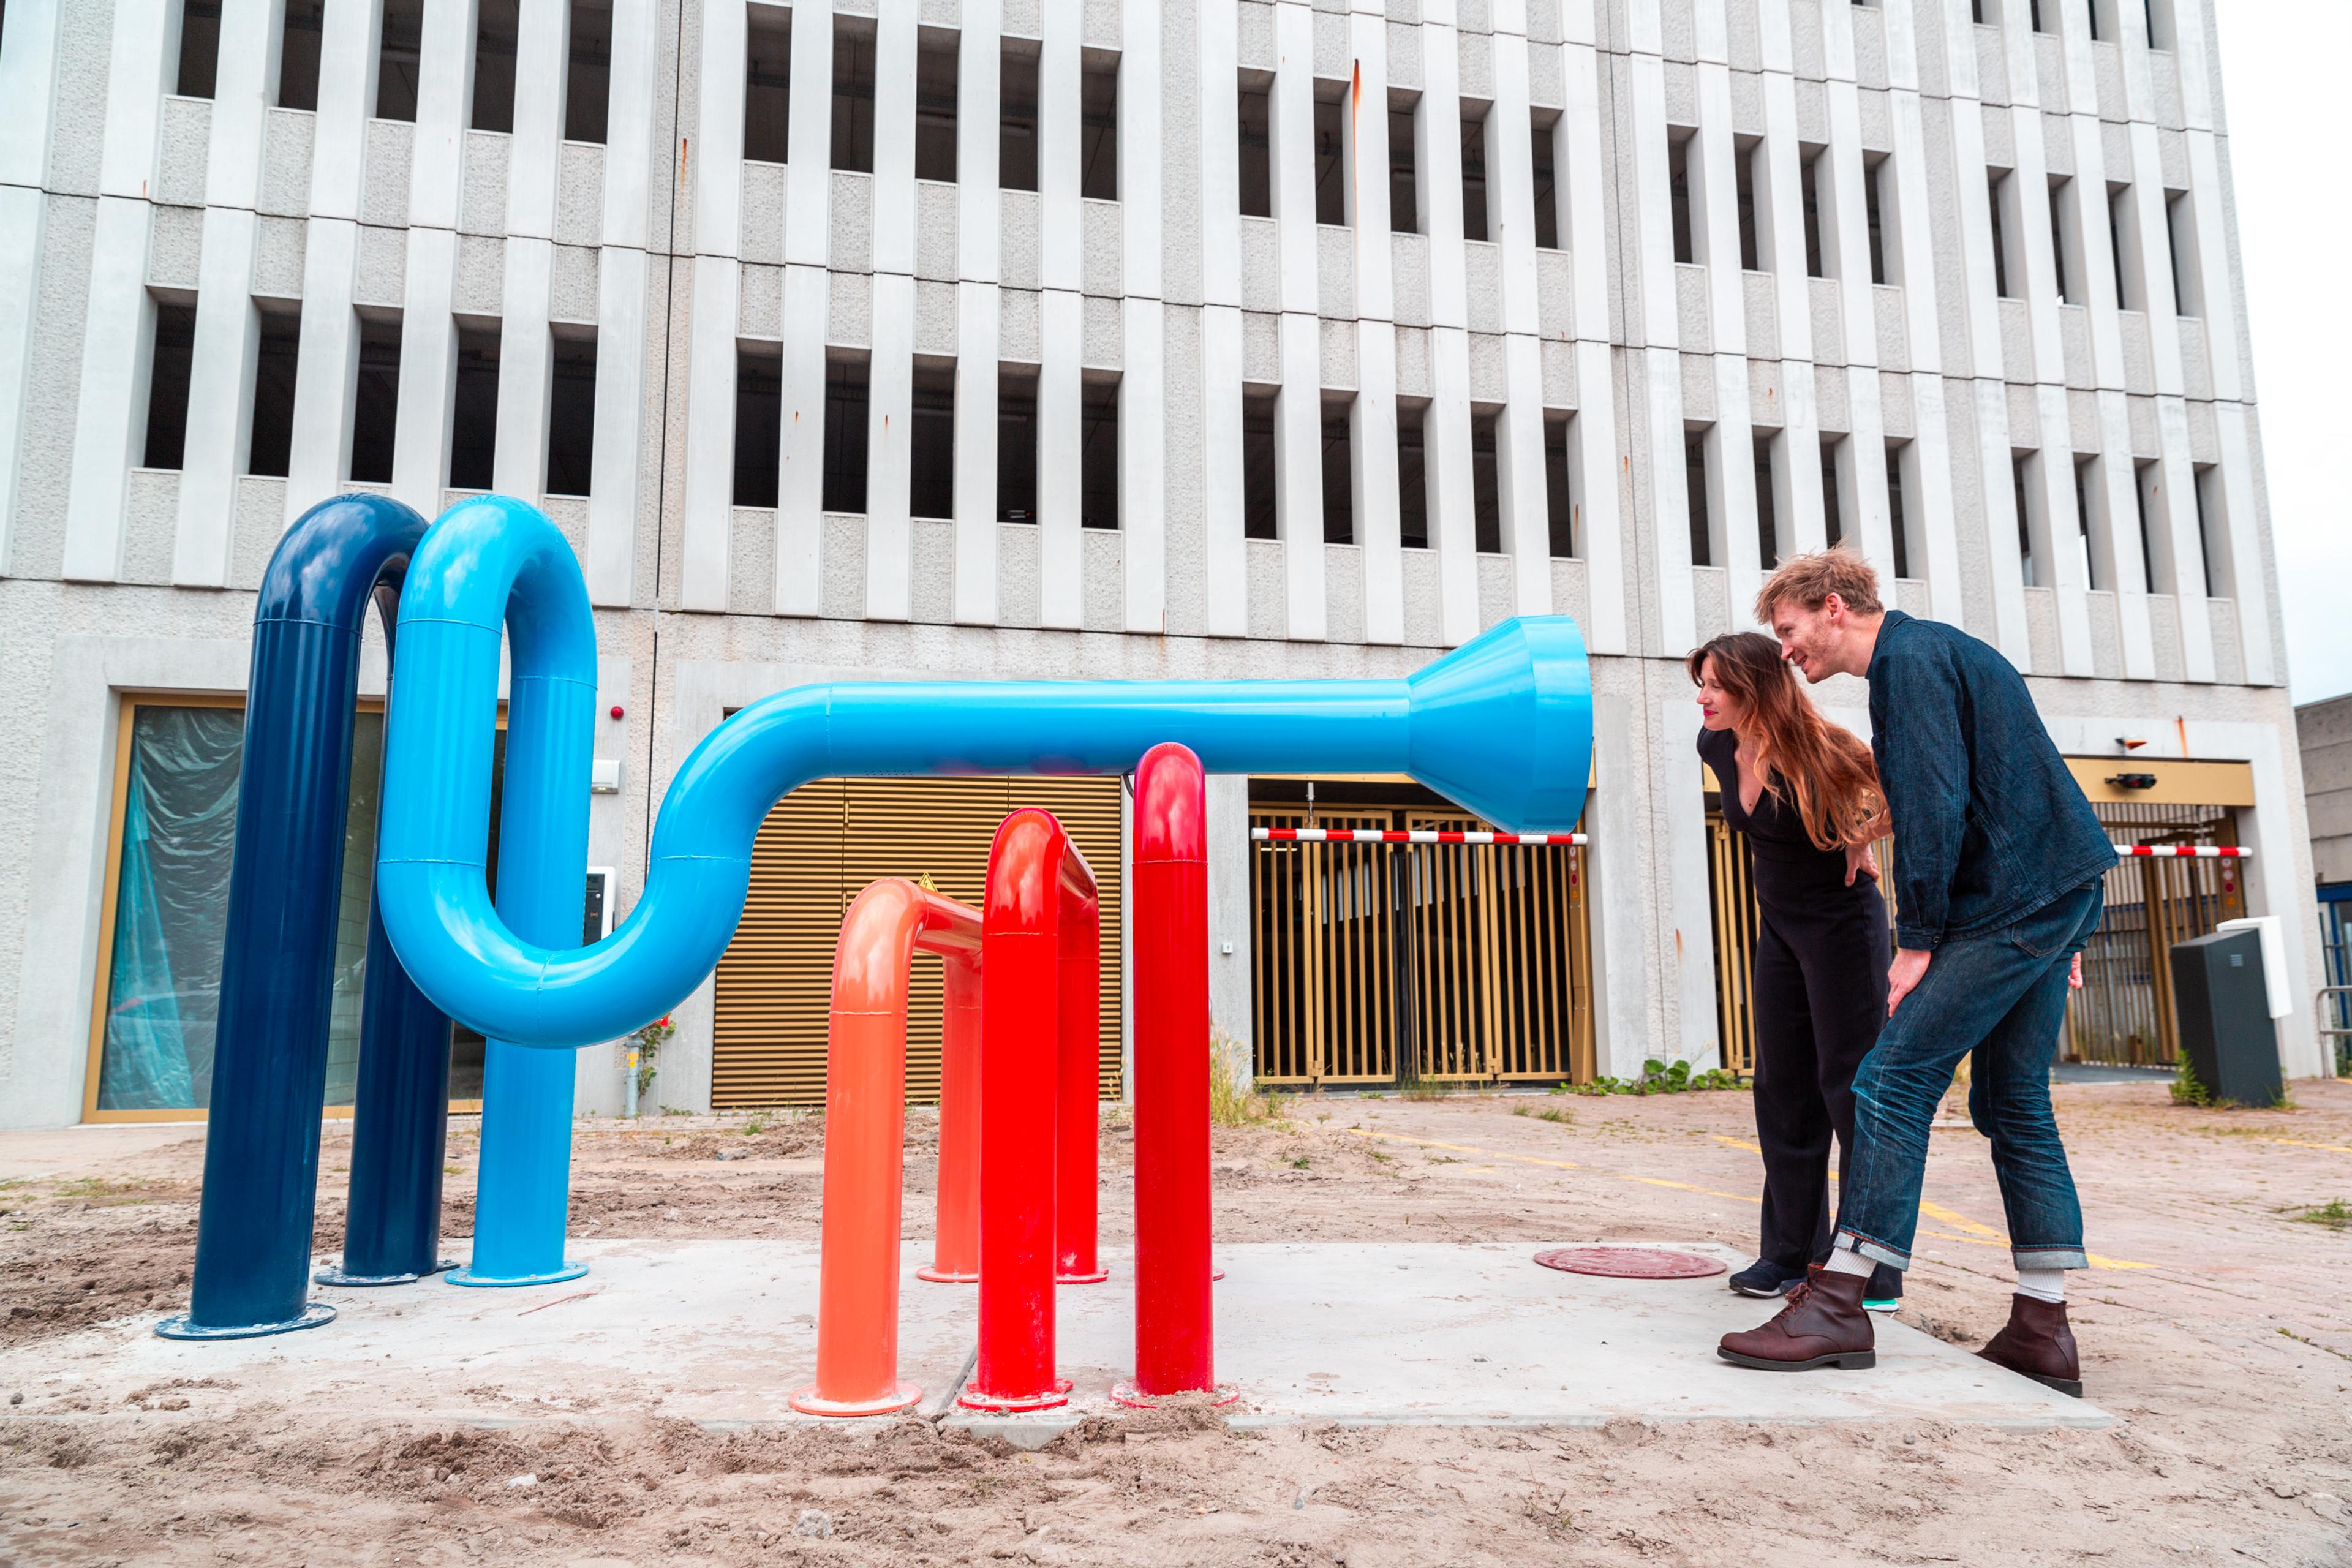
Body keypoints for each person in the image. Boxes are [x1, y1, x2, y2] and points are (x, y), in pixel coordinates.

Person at [1717, 549, 2117, 1397]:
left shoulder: (1907, 664)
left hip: (2013, 904)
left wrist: (1917, 939)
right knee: (2012, 1102)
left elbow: (1936, 800)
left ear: (1832, 608)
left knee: (1889, 1082)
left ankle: (1842, 1298)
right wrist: (2065, 916)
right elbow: (1999, 786)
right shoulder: (1942, 652)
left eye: (1788, 633)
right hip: (2049, 889)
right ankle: (2042, 1328)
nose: (1786, 652)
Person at [1690, 631, 1904, 1313]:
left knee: (1849, 1092)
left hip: (1843, 928)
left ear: (1756, 687)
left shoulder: (1825, 748)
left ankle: (1870, 1267)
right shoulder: (1717, 745)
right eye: (1701, 682)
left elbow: (1916, 788)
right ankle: (1789, 1253)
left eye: (1716, 684)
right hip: (1780, 929)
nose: (1703, 696)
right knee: (1782, 1091)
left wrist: (1861, 836)